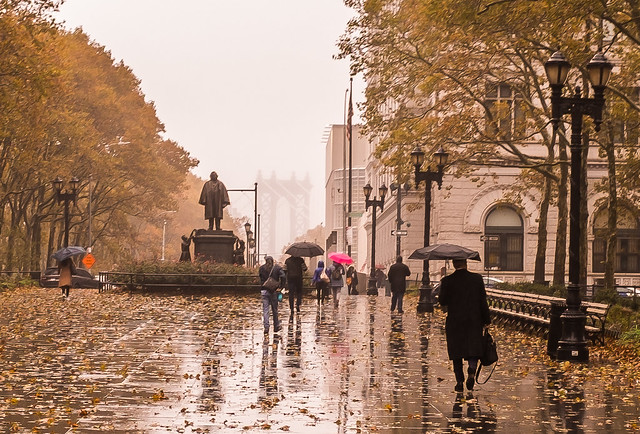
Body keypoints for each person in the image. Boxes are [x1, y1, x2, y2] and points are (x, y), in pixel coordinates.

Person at [438, 258, 491, 392]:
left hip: (455, 321)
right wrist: (487, 320)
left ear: (454, 264)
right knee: (473, 347)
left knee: (456, 351)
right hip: (474, 320)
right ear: (466, 263)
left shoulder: (447, 281)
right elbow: (482, 301)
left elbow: (442, 301)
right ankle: (472, 370)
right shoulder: (477, 279)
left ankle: (459, 381)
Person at [259, 256, 285, 334]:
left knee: (265, 309)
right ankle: (276, 326)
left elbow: (260, 277)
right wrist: (281, 286)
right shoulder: (277, 268)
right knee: (274, 309)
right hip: (273, 291)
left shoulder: (262, 268)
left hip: (264, 290)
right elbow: (283, 276)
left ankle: (266, 327)